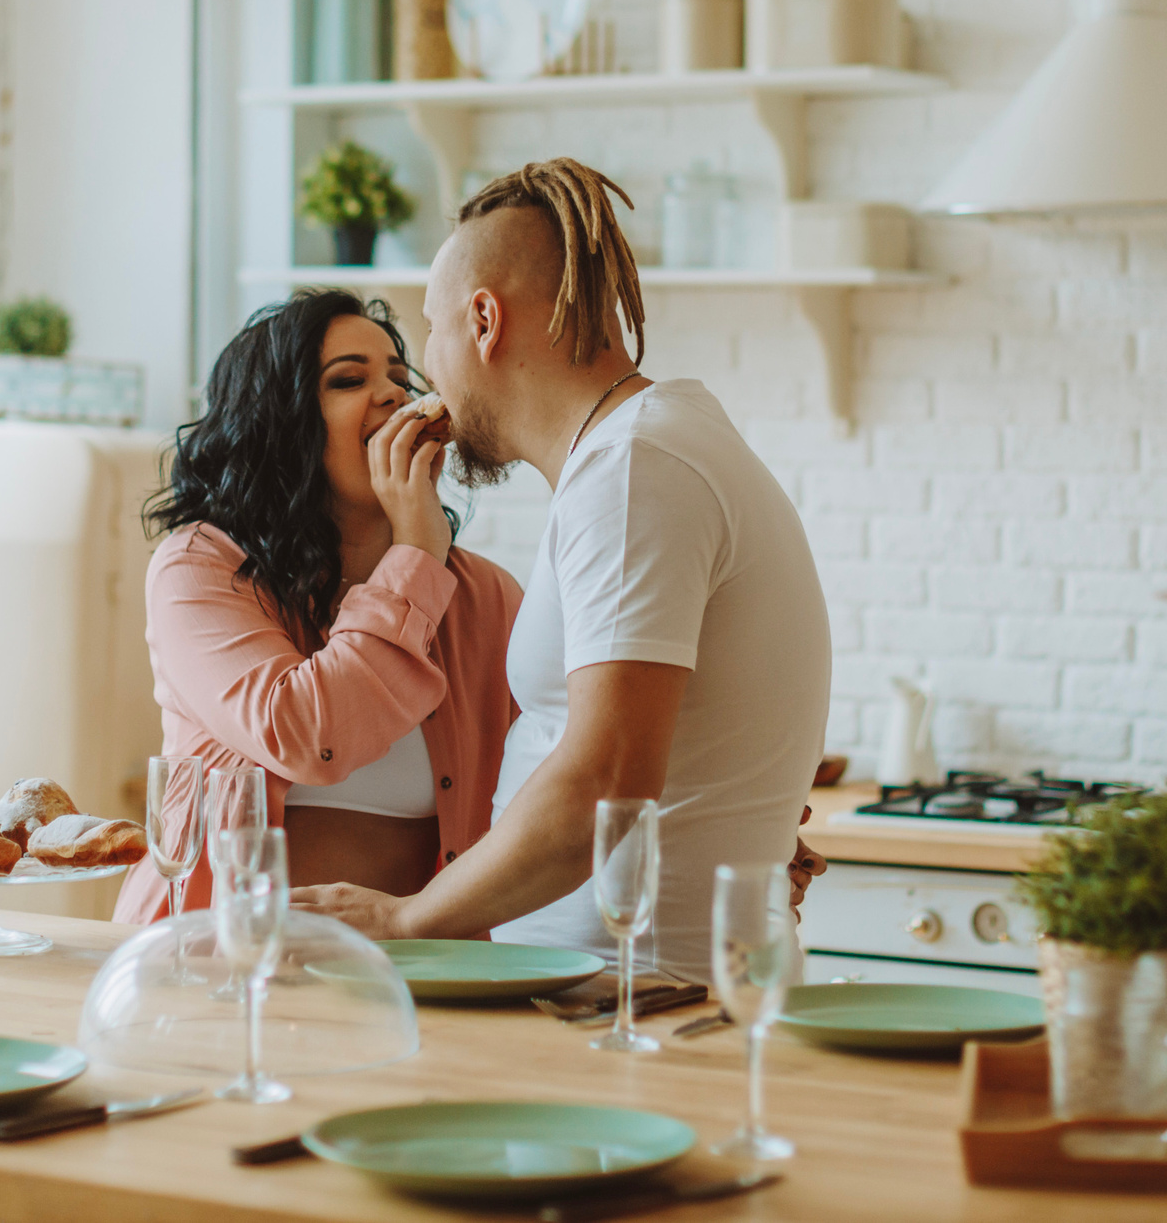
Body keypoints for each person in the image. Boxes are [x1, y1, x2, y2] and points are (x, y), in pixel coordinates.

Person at [293, 159, 834, 979]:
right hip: (620, 984)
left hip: (639, 997)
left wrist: (404, 916)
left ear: (483, 321)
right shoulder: (645, 451)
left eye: (430, 333)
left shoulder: (632, 469)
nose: (424, 376)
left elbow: (606, 778)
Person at [110, 290, 518, 924]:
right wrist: (415, 552)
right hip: (215, 955)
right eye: (349, 380)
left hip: (416, 969)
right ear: (281, 422)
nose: (393, 395)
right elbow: (305, 735)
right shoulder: (198, 567)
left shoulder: (486, 597)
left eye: (400, 377)